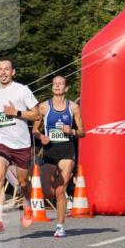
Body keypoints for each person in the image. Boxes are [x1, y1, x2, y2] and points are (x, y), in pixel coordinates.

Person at [0, 58, 39, 235]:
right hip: (1, 141)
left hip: (21, 143)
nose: (3, 72)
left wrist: (17, 113)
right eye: (0, 69)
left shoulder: (22, 90)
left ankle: (28, 202)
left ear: (13, 72)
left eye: (7, 69)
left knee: (23, 182)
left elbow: (37, 114)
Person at [32, 75, 84, 237]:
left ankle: (60, 226)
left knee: (60, 190)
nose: (56, 86)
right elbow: (34, 130)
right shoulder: (43, 107)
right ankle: (61, 202)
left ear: (66, 88)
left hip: (66, 150)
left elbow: (83, 132)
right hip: (49, 150)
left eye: (60, 84)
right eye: (54, 84)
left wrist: (72, 131)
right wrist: (41, 137)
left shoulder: (73, 107)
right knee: (48, 192)